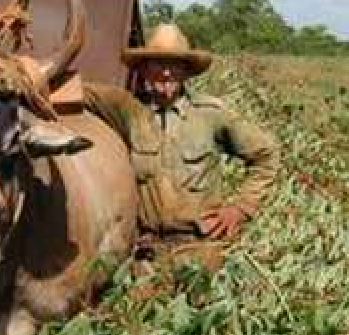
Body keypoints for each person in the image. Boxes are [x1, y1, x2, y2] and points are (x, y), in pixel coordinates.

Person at [84, 24, 279, 239]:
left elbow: (267, 155)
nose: (166, 72)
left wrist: (240, 209)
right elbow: (80, 92)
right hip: (146, 249)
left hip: (201, 246)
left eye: (174, 64)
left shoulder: (210, 114)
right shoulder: (128, 110)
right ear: (144, 69)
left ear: (186, 71)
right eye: (158, 63)